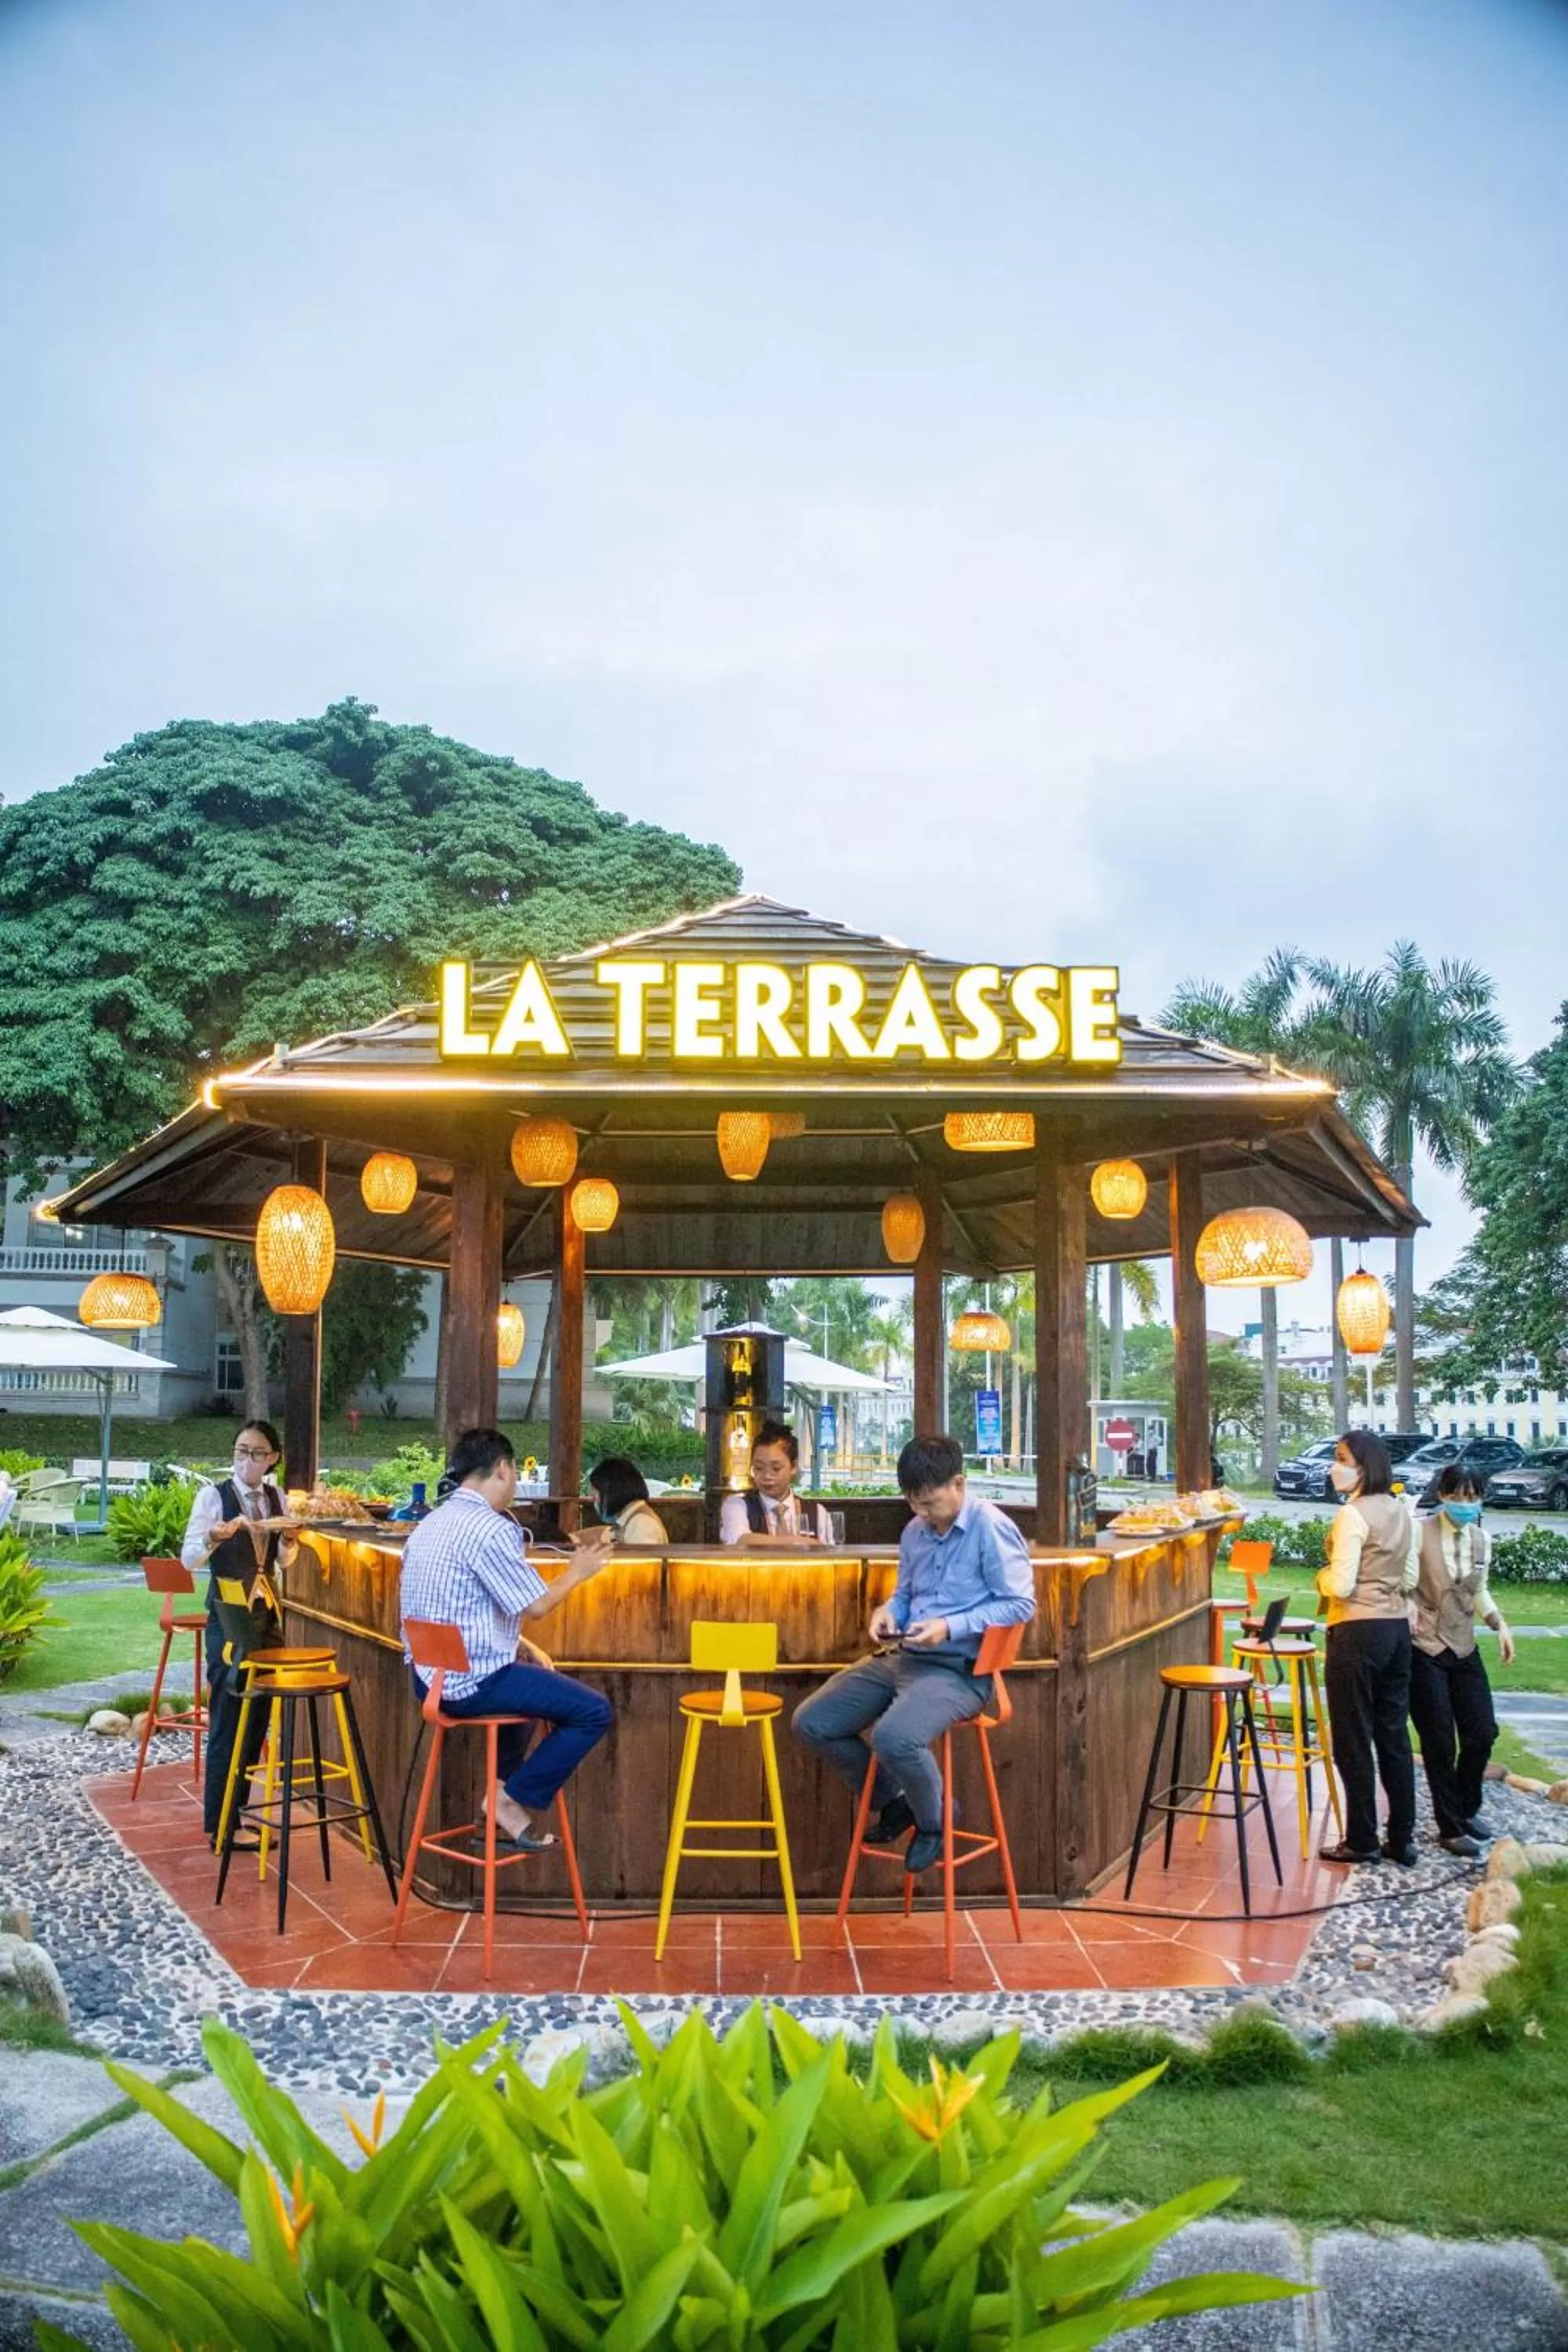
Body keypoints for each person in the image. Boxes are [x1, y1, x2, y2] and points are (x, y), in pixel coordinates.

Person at [789, 1432, 1035, 1876]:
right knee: (813, 1723)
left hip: (962, 1669)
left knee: (892, 1737)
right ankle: (897, 1801)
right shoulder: (914, 1532)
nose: (923, 1514)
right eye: (914, 1504)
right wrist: (888, 1611)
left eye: (931, 1503)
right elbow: (905, 1594)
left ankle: (935, 1821)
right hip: (903, 1656)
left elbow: (1020, 1605)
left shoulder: (991, 1528)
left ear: (958, 1484)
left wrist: (950, 1626)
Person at [399, 1426, 615, 1850]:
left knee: (532, 1687)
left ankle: (502, 1795)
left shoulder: (429, 1523)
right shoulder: (491, 1528)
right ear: (503, 1468)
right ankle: (511, 1799)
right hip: (471, 1684)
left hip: (428, 1678)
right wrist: (578, 1571)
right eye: (514, 1474)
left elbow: (457, 1607)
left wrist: (519, 1644)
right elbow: (535, 1606)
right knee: (594, 1711)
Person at [180, 1419, 299, 1843]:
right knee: (229, 1716)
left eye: (257, 1453)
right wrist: (213, 1536)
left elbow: (284, 1561)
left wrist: (287, 1539)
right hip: (229, 1615)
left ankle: (238, 1814)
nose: (248, 1460)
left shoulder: (275, 1496)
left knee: (258, 1716)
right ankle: (220, 1824)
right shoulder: (214, 1496)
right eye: (241, 1452)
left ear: (273, 1459)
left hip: (267, 1612)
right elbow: (188, 1559)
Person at [1316, 1428, 1420, 1866]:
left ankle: (1361, 1839)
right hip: (1396, 1632)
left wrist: (1319, 1579)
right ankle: (1402, 1837)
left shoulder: (1352, 1515)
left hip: (1357, 1632)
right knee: (1393, 1735)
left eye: (1341, 1458)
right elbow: (1411, 1579)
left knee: (1353, 1739)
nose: (1333, 1467)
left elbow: (1341, 1583)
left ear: (1362, 1467)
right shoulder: (1402, 1511)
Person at [1408, 1465, 1515, 1858]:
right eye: (1459, 1496)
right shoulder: (1420, 1531)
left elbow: (1479, 1591)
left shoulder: (1481, 1540)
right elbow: (1405, 1580)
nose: (1467, 1504)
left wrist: (1499, 1624)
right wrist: (1407, 1605)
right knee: (1438, 1739)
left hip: (1464, 1645)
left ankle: (1466, 1809)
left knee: (1482, 1732)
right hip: (1426, 1647)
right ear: (1444, 1494)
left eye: (1473, 1497)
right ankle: (1450, 1826)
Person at [719, 1418, 833, 1546]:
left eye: (776, 1468)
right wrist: (797, 1541)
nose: (767, 1476)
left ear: (793, 1466)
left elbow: (831, 1554)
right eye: (759, 1468)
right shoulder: (737, 1505)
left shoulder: (817, 1513)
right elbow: (740, 1540)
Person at [576, 1456, 670, 1547]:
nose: (594, 1503)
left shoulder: (641, 1523)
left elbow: (640, 1561)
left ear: (612, 1493)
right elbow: (605, 1534)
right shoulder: (627, 1521)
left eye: (594, 1497)